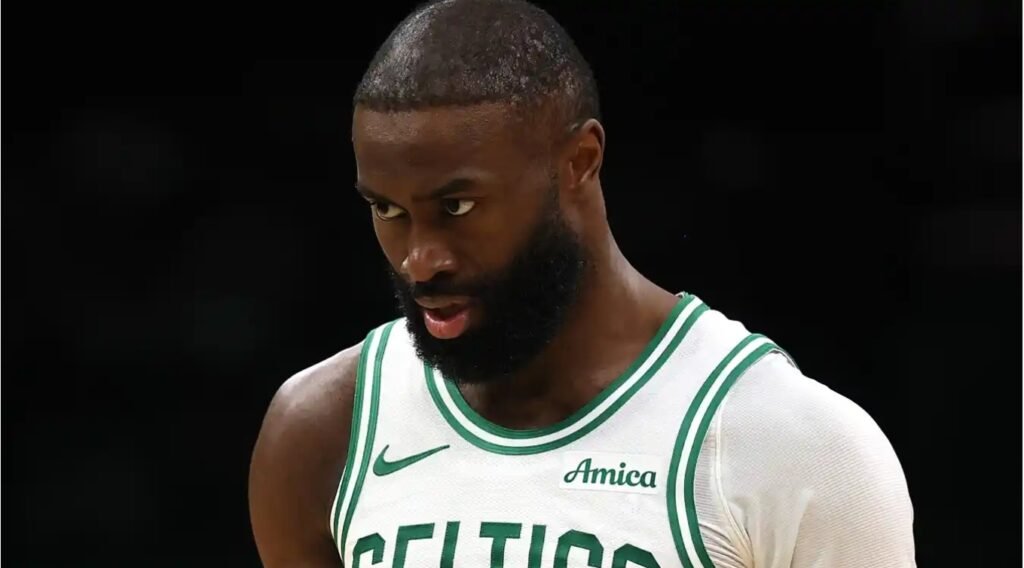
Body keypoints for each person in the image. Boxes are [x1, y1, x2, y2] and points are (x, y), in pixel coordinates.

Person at [248, 0, 916, 566]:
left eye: (457, 206)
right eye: (388, 210)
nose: (420, 261)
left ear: (580, 161)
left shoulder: (795, 447)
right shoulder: (323, 430)